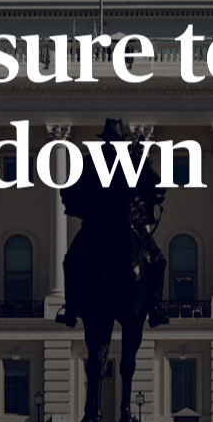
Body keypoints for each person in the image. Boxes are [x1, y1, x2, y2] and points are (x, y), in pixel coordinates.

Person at [56, 118, 168, 328]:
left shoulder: (130, 161)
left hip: (120, 223)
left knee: (158, 260)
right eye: (112, 139)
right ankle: (71, 308)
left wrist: (152, 199)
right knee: (70, 261)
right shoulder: (93, 163)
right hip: (101, 224)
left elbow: (155, 187)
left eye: (115, 140)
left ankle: (154, 307)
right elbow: (69, 193)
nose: (113, 144)